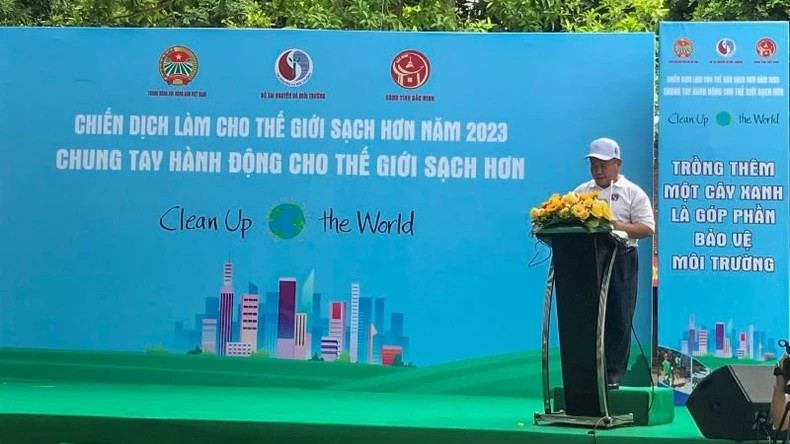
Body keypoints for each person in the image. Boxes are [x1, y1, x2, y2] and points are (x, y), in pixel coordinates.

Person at [574, 137, 655, 389]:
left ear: (617, 164)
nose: (597, 171)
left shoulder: (633, 193)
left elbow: (647, 228)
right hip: (588, 260)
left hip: (620, 259)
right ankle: (585, 373)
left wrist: (614, 226)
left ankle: (612, 377)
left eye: (603, 165)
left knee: (618, 317)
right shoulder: (581, 192)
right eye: (594, 165)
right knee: (587, 317)